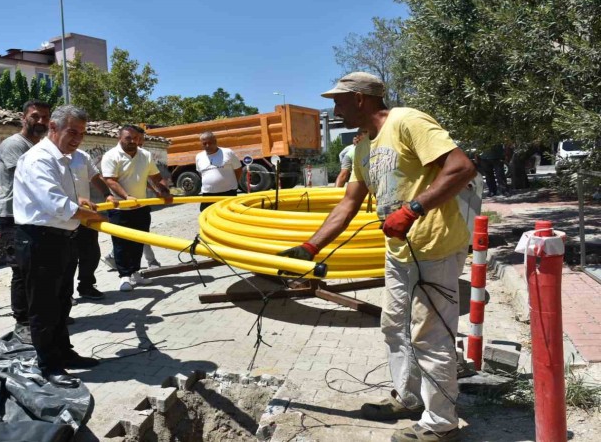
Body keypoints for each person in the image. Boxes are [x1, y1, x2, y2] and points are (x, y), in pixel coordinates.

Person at [278, 72, 476, 442]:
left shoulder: (407, 121)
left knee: (429, 335)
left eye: (338, 101)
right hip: (400, 252)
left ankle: (442, 424)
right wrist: (310, 247)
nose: (333, 108)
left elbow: (462, 168)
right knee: (394, 326)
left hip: (434, 246)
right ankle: (409, 397)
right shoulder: (364, 147)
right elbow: (349, 203)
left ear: (359, 99)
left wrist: (413, 209)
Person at [13, 105, 107, 388]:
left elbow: (63, 198)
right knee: (43, 306)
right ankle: (49, 366)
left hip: (62, 238)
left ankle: (63, 353)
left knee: (62, 301)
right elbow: (53, 203)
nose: (78, 139)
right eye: (72, 132)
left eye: (82, 133)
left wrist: (81, 204)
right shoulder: (38, 159)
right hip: (40, 240)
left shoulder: (63, 158)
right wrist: (94, 216)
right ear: (53, 127)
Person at [0, 99, 51, 344]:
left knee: (37, 269)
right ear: (23, 117)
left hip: (31, 215)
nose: (41, 121)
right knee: (20, 271)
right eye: (35, 116)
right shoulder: (14, 145)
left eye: (45, 118)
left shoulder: (39, 145)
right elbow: (31, 178)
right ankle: (23, 323)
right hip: (12, 216)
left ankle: (39, 317)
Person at [101, 125, 173, 291]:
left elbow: (155, 176)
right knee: (121, 244)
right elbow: (110, 180)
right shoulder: (111, 156)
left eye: (135, 138)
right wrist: (126, 197)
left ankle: (135, 273)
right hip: (120, 208)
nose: (133, 141)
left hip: (141, 207)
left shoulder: (145, 155)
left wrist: (164, 190)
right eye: (128, 138)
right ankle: (124, 276)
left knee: (139, 242)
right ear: (120, 138)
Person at [69, 147, 118, 300]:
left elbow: (95, 177)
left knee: (91, 253)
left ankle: (86, 286)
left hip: (85, 213)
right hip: (63, 216)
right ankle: (65, 294)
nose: (76, 138)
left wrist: (107, 194)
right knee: (67, 258)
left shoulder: (82, 156)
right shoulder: (48, 156)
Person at [195, 131, 242, 211]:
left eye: (210, 143)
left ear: (215, 141)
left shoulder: (227, 152)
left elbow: (238, 169)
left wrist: (232, 184)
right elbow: (201, 173)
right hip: (208, 194)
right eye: (204, 143)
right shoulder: (199, 156)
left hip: (228, 193)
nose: (207, 145)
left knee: (228, 215)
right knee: (206, 214)